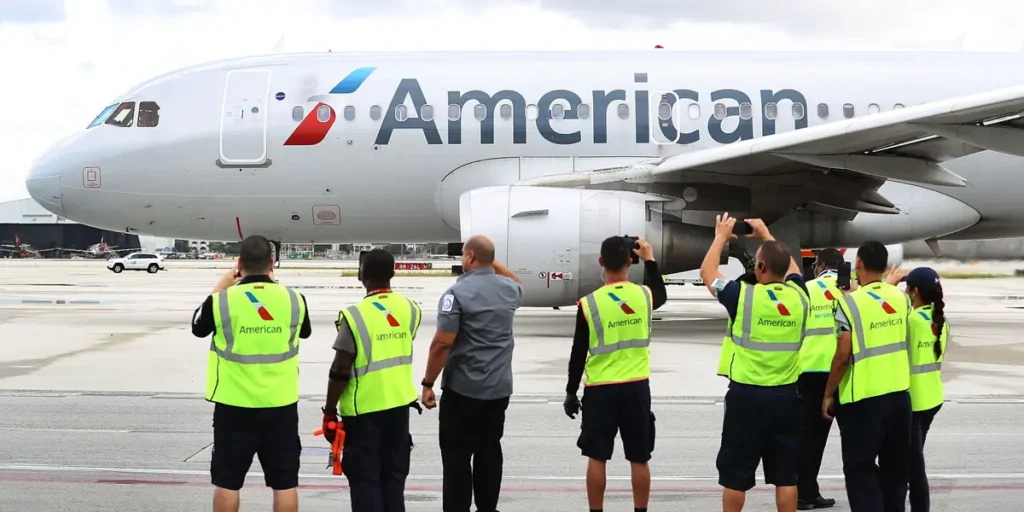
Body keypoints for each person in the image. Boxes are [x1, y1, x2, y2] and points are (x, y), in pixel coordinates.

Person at [191, 235, 312, 512]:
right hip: (280, 406)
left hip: (234, 407)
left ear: (239, 264)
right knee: (285, 483)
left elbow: (198, 327)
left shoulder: (222, 301)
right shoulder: (295, 299)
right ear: (272, 264)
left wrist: (220, 286)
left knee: (228, 482)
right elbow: (304, 332)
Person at [699, 213, 809, 512]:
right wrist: (766, 235)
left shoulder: (742, 296)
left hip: (747, 398)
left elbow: (708, 273)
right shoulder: (801, 297)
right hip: (787, 396)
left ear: (759, 267)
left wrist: (721, 237)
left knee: (735, 478)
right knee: (786, 477)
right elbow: (794, 270)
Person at [419, 235, 524, 512]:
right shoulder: (509, 290)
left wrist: (428, 383)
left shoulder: (455, 295)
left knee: (456, 455)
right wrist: (490, 262)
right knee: (489, 449)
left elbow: (442, 342)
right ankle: (488, 507)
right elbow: (517, 282)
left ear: (469, 257)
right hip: (498, 390)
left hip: (462, 391)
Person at [563, 236, 667, 512]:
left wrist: (571, 391)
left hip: (600, 389)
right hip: (636, 387)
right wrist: (651, 260)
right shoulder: (644, 296)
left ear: (600, 262)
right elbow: (661, 292)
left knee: (597, 457)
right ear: (629, 262)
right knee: (639, 457)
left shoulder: (590, 304)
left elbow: (578, 353)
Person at [322, 249, 422, 512]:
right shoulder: (410, 309)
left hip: (364, 414)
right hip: (399, 409)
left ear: (361, 274)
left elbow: (340, 369)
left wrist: (330, 410)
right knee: (394, 480)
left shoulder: (354, 316)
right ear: (393, 273)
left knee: (366, 482)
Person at [821, 241, 913, 512]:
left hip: (863, 400)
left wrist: (828, 393)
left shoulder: (848, 304)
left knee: (860, 468)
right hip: (899, 396)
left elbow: (842, 357)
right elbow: (881, 305)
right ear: (886, 268)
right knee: (895, 469)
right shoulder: (901, 298)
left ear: (857, 263)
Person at [888, 267, 948, 512]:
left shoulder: (912, 321)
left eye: (906, 287)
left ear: (914, 292)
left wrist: (888, 286)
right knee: (911, 459)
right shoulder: (940, 318)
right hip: (933, 397)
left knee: (913, 467)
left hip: (914, 402)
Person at [797, 248, 844, 510]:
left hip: (810, 373)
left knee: (810, 438)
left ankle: (805, 492)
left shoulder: (806, 290)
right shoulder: (853, 291)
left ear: (821, 265)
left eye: (814, 263)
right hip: (845, 373)